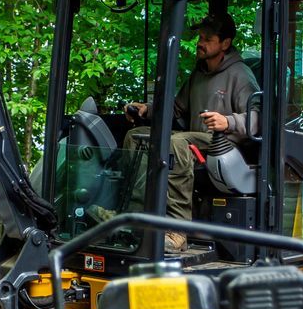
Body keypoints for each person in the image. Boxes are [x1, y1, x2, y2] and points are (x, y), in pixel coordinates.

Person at [102, 12, 257, 250]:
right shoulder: (200, 72)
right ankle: (132, 215)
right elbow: (176, 108)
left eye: (208, 39)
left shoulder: (240, 75)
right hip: (197, 140)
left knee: (176, 143)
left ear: (225, 43)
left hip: (224, 146)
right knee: (137, 137)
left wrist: (229, 122)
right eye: (200, 38)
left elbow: (259, 119)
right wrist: (147, 110)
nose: (200, 43)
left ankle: (177, 231)